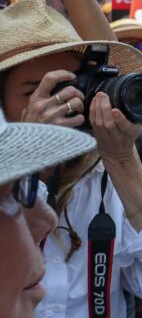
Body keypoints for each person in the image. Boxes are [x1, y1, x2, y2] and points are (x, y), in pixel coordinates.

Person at [0, 0, 142, 317]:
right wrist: (29, 157)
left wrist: (123, 158)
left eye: (66, 85)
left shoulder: (103, 175)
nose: (59, 102)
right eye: (34, 90)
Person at [0, 86, 97, 318]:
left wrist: (124, 157)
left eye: (81, 89)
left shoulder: (106, 179)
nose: (48, 220)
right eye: (9, 197)